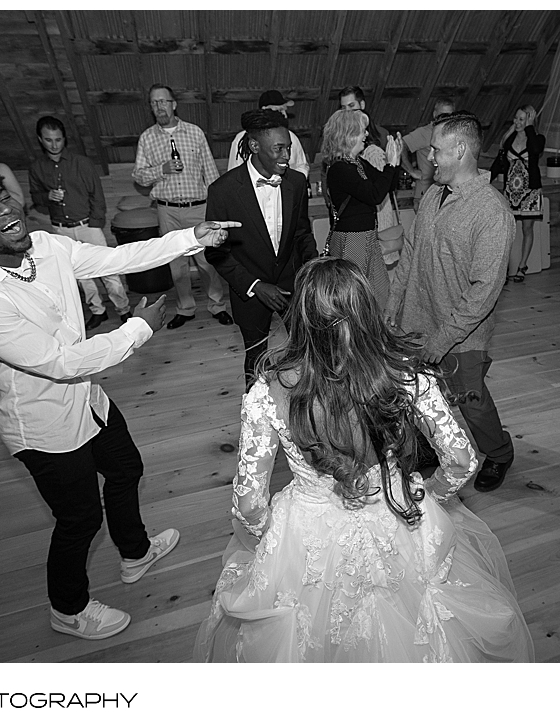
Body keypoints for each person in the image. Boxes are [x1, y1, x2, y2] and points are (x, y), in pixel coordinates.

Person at [0, 157, 238, 641]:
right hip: (44, 424)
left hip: (88, 399)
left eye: (3, 196)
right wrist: (139, 329)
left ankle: (135, 552)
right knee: (79, 518)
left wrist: (193, 237)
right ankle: (68, 609)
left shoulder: (44, 246)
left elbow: (115, 260)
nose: (6, 211)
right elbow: (60, 363)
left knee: (126, 469)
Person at [193, 258, 534, 663]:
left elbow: (250, 502)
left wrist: (268, 537)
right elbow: (461, 458)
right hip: (396, 513)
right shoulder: (405, 374)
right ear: (367, 311)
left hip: (307, 537)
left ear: (299, 318)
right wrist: (431, 496)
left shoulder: (267, 394)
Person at [385, 111, 516, 493]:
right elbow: (410, 255)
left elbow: (484, 290)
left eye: (436, 150)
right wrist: (393, 306)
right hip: (415, 320)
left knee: (469, 401)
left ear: (460, 151)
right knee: (418, 392)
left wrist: (442, 340)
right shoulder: (431, 196)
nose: (429, 157)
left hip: (461, 335)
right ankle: (427, 446)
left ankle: (499, 452)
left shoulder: (492, 212)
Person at [206, 109, 318, 388]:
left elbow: (302, 234)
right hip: (250, 291)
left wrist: (314, 271)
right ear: (254, 146)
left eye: (289, 148)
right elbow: (216, 253)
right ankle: (256, 419)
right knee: (256, 360)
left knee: (310, 351)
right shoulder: (223, 191)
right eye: (279, 148)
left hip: (292, 285)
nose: (286, 156)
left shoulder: (296, 182)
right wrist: (256, 286)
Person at [133, 83, 232, 330]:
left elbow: (210, 170)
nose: (159, 107)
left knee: (207, 261)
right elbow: (139, 176)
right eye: (154, 103)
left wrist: (218, 206)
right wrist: (161, 170)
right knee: (176, 264)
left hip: (199, 208)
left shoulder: (195, 133)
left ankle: (217, 305)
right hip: (167, 210)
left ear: (174, 104)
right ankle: (185, 309)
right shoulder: (147, 138)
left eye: (164, 101)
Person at [28, 116, 130, 330]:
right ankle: (97, 311)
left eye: (58, 139)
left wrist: (95, 223)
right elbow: (35, 198)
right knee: (80, 274)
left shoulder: (81, 163)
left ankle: (124, 310)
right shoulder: (37, 167)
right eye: (48, 140)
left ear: (64, 139)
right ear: (40, 140)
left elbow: (97, 195)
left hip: (88, 226)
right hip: (61, 228)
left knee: (107, 269)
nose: (54, 145)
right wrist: (47, 196)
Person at [321, 109, 402, 311]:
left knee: (381, 295)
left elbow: (387, 186)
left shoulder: (357, 162)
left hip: (366, 237)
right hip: (352, 239)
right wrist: (390, 165)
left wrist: (395, 161)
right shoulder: (340, 169)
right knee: (354, 300)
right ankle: (355, 340)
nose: (366, 135)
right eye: (362, 131)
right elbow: (374, 195)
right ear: (347, 135)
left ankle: (379, 337)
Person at [488, 105, 545, 282]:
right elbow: (499, 164)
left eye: (522, 119)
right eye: (516, 118)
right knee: (507, 231)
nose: (517, 122)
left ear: (529, 121)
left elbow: (535, 150)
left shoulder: (537, 138)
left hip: (530, 191)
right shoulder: (508, 139)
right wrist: (485, 180)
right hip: (511, 191)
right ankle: (504, 269)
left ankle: (522, 266)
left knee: (527, 228)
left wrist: (529, 127)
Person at [226, 90, 309, 177]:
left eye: (285, 110)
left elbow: (302, 165)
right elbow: (234, 172)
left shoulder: (292, 136)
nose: (284, 115)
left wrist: (292, 184)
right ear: (264, 110)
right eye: (279, 110)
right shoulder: (242, 139)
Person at [400, 98, 456, 210]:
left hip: (446, 194)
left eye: (450, 115)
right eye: (443, 114)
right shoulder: (426, 132)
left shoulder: (454, 133)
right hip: (425, 193)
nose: (446, 118)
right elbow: (399, 145)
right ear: (434, 114)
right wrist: (411, 171)